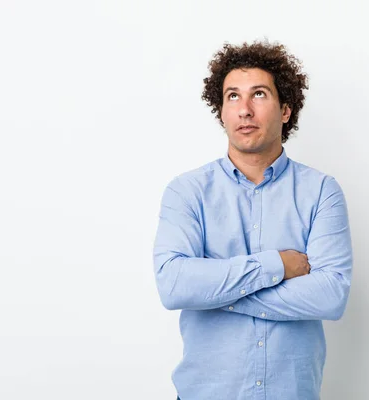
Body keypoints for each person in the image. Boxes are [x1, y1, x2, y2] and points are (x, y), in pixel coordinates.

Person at [153, 40, 354, 400]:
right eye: (232, 96)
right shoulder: (187, 192)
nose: (244, 110)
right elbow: (174, 286)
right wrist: (277, 264)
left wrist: (215, 290)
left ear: (286, 110)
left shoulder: (322, 191)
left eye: (258, 94)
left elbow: (329, 296)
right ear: (221, 111)